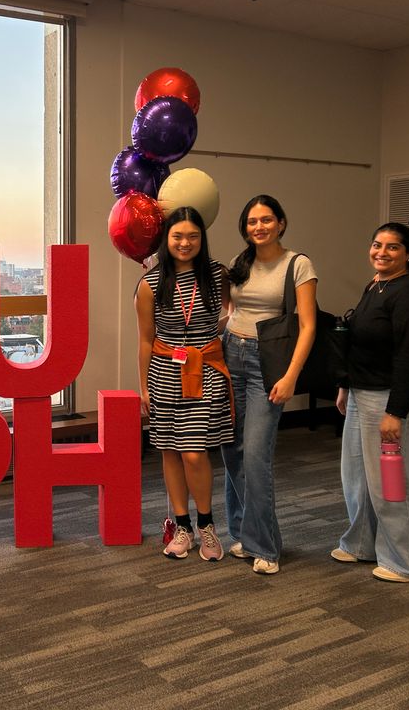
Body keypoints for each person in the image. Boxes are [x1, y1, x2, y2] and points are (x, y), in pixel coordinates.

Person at [332, 222, 409, 583]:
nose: (381, 252)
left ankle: (408, 563)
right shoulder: (377, 285)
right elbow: (360, 343)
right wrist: (346, 386)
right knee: (359, 478)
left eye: (392, 247)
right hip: (364, 393)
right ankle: (362, 544)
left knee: (395, 482)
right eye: (377, 244)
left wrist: (396, 412)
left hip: (397, 398)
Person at [221, 196, 317, 575]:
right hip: (231, 355)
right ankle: (245, 533)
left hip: (269, 362)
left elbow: (308, 325)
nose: (258, 227)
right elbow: (230, 313)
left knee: (256, 455)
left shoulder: (298, 264)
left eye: (265, 220)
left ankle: (267, 547)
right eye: (251, 221)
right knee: (232, 450)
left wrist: (291, 375)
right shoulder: (237, 264)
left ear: (280, 223)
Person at [135, 206, 232, 562]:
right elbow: (146, 339)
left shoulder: (219, 275)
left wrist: (213, 341)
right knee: (171, 452)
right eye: (178, 236)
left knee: (194, 452)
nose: (185, 243)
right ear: (167, 239)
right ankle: (182, 527)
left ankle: (206, 525)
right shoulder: (150, 283)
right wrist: (143, 385)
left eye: (193, 236)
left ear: (202, 239)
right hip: (163, 373)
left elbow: (235, 313)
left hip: (204, 373)